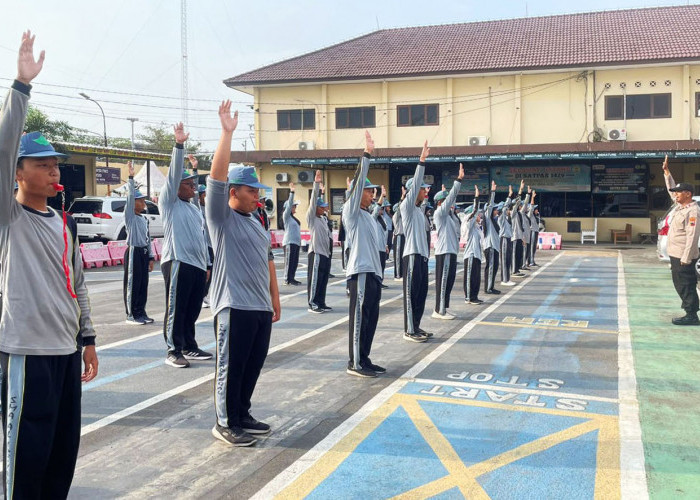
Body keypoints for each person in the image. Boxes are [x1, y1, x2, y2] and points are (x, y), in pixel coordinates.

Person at [0, 31, 98, 498]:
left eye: (56, 164)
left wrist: (88, 338)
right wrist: (21, 87)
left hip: (64, 351)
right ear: (18, 172)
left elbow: (76, 284)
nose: (53, 171)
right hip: (25, 352)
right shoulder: (10, 216)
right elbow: (2, 151)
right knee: (25, 458)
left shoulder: (63, 223)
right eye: (41, 164)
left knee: (62, 454)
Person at [206, 100, 281, 446]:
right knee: (231, 368)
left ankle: (241, 413)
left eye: (258, 192)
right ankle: (224, 421)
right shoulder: (221, 219)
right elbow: (216, 179)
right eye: (252, 191)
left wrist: (274, 299)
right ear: (233, 193)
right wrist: (227, 134)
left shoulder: (258, 223)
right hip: (233, 306)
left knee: (252, 365)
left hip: (259, 307)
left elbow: (267, 262)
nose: (257, 197)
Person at [159, 122, 212, 368]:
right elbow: (172, 175)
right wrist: (179, 145)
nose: (193, 188)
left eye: (194, 184)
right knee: (177, 308)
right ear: (176, 187)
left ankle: (189, 346)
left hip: (197, 264)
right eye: (189, 184)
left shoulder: (193, 209)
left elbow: (202, 238)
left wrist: (208, 263)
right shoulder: (169, 203)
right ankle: (173, 349)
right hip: (178, 260)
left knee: (192, 309)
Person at [343, 131, 386, 378]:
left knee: (370, 320)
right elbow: (358, 187)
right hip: (359, 273)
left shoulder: (369, 217)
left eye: (372, 192)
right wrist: (366, 154)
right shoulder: (352, 213)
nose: (370, 195)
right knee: (359, 320)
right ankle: (355, 363)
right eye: (368, 192)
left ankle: (365, 358)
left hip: (373, 274)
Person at [400, 141, 432, 343]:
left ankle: (417, 326)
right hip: (411, 255)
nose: (425, 192)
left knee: (420, 295)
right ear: (414, 191)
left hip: (422, 257)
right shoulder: (407, 208)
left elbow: (428, 199)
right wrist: (421, 162)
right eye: (422, 188)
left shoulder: (420, 212)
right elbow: (413, 190)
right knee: (411, 296)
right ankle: (409, 330)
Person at [662, 155, 700, 325]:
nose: (675, 195)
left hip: (684, 256)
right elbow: (671, 189)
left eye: (678, 192)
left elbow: (692, 236)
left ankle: (691, 315)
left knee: (686, 284)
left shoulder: (692, 212)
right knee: (680, 284)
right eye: (675, 192)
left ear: (688, 194)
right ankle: (690, 312)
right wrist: (667, 173)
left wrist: (686, 257)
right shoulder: (681, 206)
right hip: (676, 254)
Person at [124, 161, 155, 325]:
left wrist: (150, 257)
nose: (143, 203)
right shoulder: (130, 217)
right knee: (133, 284)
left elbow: (148, 239)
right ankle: (131, 314)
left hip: (143, 252)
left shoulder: (143, 219)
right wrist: (131, 177)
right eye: (140, 200)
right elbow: (129, 198)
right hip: (134, 251)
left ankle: (141, 311)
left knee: (143, 284)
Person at [432, 164, 464, 319]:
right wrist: (458, 181)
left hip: (451, 251)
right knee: (443, 282)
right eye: (445, 201)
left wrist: (446, 192)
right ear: (440, 203)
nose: (449, 204)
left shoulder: (450, 216)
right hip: (444, 252)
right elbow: (450, 198)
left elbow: (451, 199)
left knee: (449, 282)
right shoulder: (440, 214)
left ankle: (444, 306)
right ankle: (439, 310)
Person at [307, 170, 332, 313]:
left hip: (325, 254)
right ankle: (313, 303)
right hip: (316, 253)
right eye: (321, 207)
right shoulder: (312, 218)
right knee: (315, 280)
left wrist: (322, 193)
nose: (323, 209)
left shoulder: (322, 218)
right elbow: (312, 202)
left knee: (323, 280)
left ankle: (321, 302)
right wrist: (316, 184)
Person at [462, 186, 483, 304]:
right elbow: (473, 215)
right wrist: (476, 198)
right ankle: (468, 297)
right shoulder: (468, 225)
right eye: (478, 215)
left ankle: (474, 296)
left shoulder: (476, 228)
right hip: (470, 255)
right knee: (469, 278)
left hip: (477, 255)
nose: (479, 216)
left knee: (476, 278)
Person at [483, 180, 501, 295]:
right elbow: (489, 206)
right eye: (495, 209)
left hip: (494, 247)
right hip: (490, 247)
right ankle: (488, 288)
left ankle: (491, 286)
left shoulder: (494, 221)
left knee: (494, 268)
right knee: (490, 268)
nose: (496, 211)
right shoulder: (488, 219)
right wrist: (493, 191)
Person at [499, 185, 516, 287]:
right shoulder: (501, 218)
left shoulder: (507, 218)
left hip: (508, 238)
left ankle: (507, 278)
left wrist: (519, 193)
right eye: (508, 209)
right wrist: (509, 196)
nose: (509, 210)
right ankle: (504, 280)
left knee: (508, 260)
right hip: (504, 239)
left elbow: (515, 205)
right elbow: (505, 207)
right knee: (505, 260)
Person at [392, 191, 405, 281]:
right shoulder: (396, 216)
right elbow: (400, 208)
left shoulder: (403, 217)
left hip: (404, 237)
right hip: (399, 236)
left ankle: (402, 273)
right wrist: (402, 198)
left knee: (403, 256)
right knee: (398, 257)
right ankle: (397, 275)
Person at [528, 196, 540, 267]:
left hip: (535, 231)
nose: (537, 211)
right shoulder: (530, 215)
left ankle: (532, 260)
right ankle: (530, 261)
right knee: (532, 246)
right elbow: (531, 208)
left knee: (534, 246)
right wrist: (532, 197)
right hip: (532, 231)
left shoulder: (536, 216)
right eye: (536, 209)